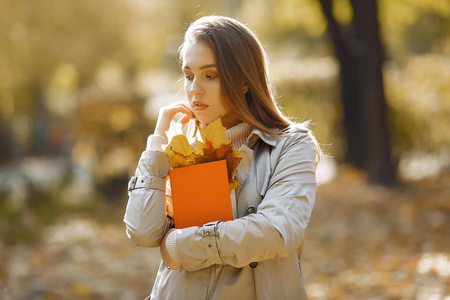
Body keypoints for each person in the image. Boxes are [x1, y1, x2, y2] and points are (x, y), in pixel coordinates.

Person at [124, 15, 322, 300]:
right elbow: (143, 232)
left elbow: (278, 231)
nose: (195, 89)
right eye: (189, 75)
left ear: (243, 80)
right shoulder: (180, 145)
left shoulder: (289, 146)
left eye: (210, 75)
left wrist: (181, 245)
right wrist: (156, 142)